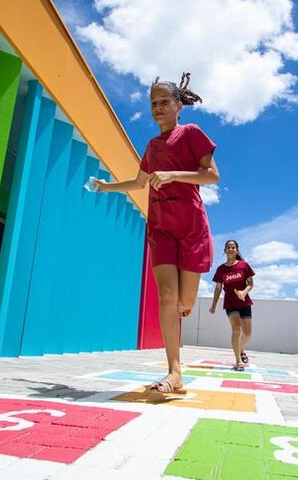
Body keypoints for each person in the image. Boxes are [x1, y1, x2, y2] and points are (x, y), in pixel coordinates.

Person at [94, 73, 219, 393]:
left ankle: (182, 303)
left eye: (164, 102)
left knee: (184, 301)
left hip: (190, 227)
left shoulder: (190, 133)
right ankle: (175, 372)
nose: (158, 108)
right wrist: (107, 187)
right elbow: (139, 183)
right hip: (160, 226)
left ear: (179, 106)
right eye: (153, 103)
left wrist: (173, 175)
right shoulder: (152, 146)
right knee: (166, 296)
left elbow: (211, 176)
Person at [210, 240, 255, 371]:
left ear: (237, 250)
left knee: (247, 334)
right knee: (236, 328)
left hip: (244, 303)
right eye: (228, 247)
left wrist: (244, 292)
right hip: (230, 304)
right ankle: (238, 361)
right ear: (225, 250)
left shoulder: (244, 265)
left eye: (233, 247)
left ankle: (241, 350)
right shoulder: (221, 269)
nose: (230, 249)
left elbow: (250, 283)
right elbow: (218, 288)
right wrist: (213, 305)